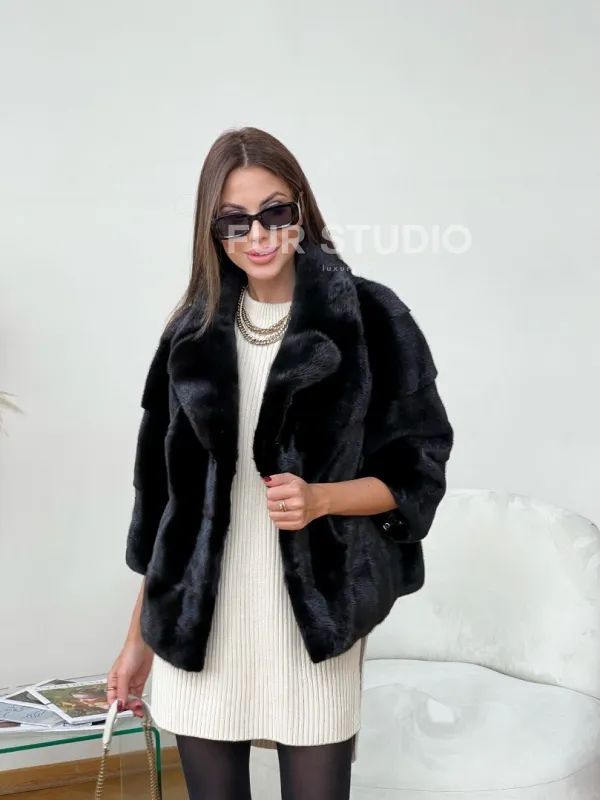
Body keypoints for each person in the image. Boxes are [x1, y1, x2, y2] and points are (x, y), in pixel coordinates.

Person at [107, 126, 453, 800]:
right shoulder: (189, 337)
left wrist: (323, 498)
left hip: (313, 622)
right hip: (200, 628)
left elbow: (420, 471)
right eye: (234, 221)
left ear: (301, 206)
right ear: (212, 231)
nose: (259, 235)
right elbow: (162, 508)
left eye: (274, 211)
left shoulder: (372, 318)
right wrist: (137, 641)